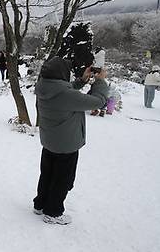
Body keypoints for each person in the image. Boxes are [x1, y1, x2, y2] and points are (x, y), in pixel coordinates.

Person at [33, 57, 109, 225]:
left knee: (47, 175)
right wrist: (100, 81)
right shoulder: (65, 95)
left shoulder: (43, 87)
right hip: (66, 145)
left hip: (49, 142)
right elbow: (99, 101)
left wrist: (82, 81)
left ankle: (40, 204)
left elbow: (64, 92)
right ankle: (53, 212)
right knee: (62, 180)